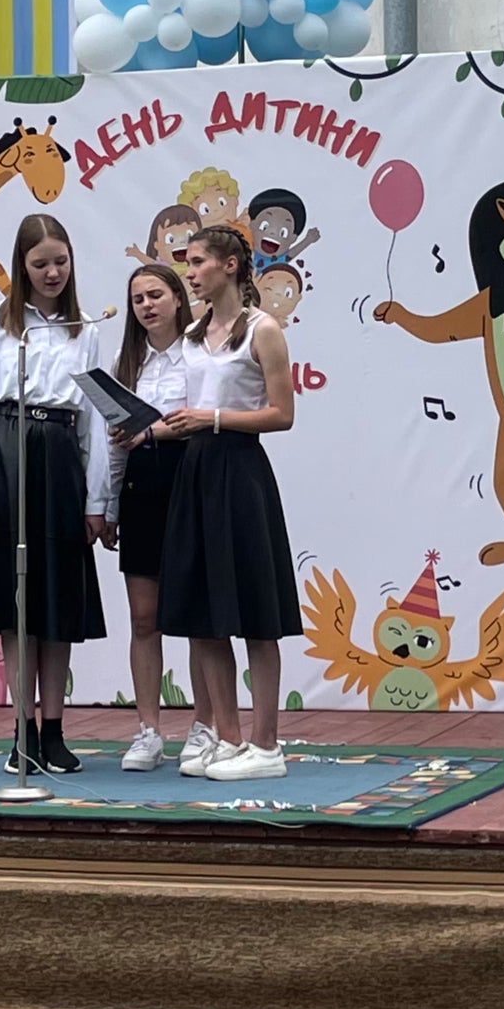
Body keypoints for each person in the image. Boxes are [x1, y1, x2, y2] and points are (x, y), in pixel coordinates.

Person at [0, 214, 112, 773]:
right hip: (7, 454)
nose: (52, 272)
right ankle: (20, 731)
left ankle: (55, 731)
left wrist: (98, 500)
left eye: (61, 262)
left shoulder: (85, 328)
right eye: (41, 263)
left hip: (61, 458)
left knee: (56, 602)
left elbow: (93, 419)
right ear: (22, 265)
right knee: (16, 605)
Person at [152, 224, 302, 783]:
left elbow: (281, 414)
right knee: (202, 617)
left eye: (196, 262)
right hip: (195, 470)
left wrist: (212, 420)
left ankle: (266, 745)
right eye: (186, 264)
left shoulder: (263, 330)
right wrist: (148, 432)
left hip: (240, 473)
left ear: (231, 265)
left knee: (257, 617)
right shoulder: (191, 335)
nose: (189, 273)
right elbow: (188, 412)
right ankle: (229, 739)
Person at [103, 262, 201, 772]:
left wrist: (155, 432)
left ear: (178, 298)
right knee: (144, 617)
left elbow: (202, 423)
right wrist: (109, 506)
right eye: (138, 298)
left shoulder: (201, 351)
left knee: (197, 616)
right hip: (141, 489)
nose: (147, 305)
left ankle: (206, 724)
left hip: (189, 483)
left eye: (156, 294)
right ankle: (148, 730)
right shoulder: (126, 361)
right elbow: (116, 443)